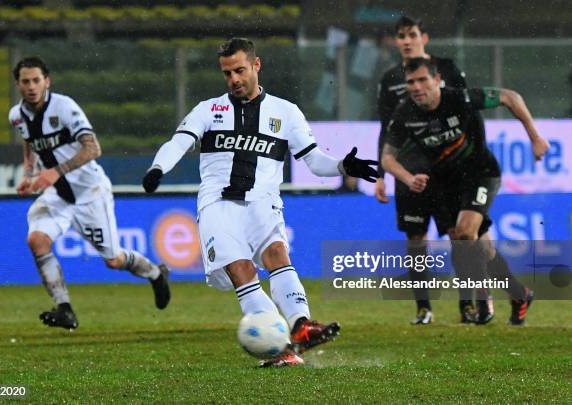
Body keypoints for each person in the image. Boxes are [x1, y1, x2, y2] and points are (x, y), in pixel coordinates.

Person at [142, 38, 379, 366]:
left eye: (239, 70)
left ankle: (302, 326)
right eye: (227, 74)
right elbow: (178, 142)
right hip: (217, 204)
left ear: (256, 65)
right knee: (241, 269)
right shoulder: (208, 110)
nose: (234, 80)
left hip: (263, 201)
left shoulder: (285, 112)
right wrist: (158, 168)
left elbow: (314, 161)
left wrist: (342, 166)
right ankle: (280, 347)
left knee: (276, 254)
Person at [381, 57, 550, 325]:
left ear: (437, 81)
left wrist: (535, 137)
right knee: (482, 249)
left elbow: (511, 97)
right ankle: (519, 294)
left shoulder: (461, 99)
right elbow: (387, 157)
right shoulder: (405, 112)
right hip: (447, 183)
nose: (416, 87)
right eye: (410, 82)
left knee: (465, 233)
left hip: (481, 174)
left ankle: (483, 300)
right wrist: (407, 177)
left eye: (422, 80)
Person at [9, 56, 171, 330]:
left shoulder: (65, 107)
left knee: (113, 260)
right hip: (58, 195)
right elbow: (30, 144)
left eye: (36, 80)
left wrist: (55, 172)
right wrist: (29, 174)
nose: (31, 86)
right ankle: (65, 309)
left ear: (46, 81)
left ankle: (156, 273)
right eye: (25, 81)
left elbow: (94, 148)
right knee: (37, 240)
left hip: (90, 192)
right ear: (19, 85)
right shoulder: (17, 116)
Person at [374, 16, 472, 325]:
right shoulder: (390, 79)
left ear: (424, 37)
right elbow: (385, 130)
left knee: (459, 235)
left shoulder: (448, 68)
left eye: (411, 34)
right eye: (400, 36)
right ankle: (423, 308)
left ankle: (467, 305)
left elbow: (465, 113)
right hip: (408, 171)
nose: (406, 41)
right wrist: (380, 174)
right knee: (416, 239)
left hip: (447, 170)